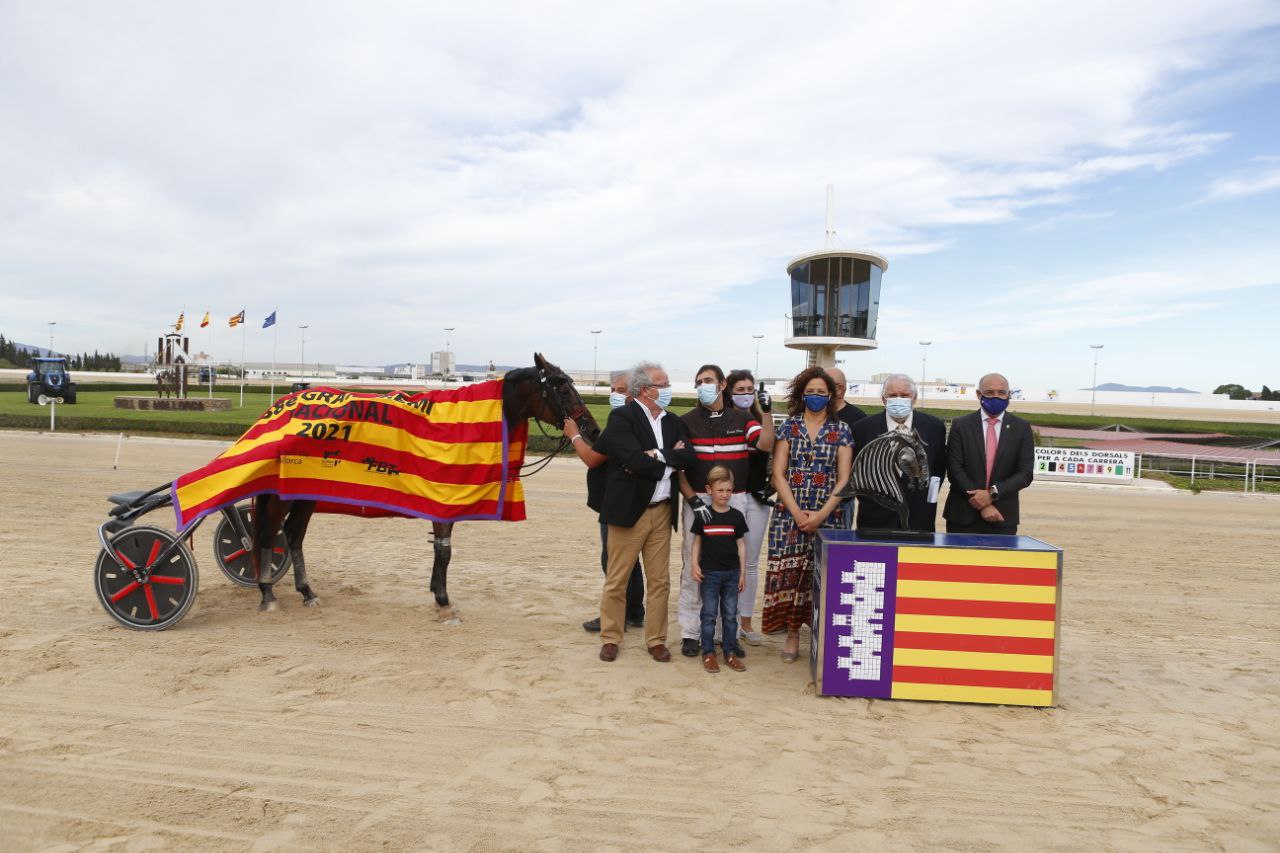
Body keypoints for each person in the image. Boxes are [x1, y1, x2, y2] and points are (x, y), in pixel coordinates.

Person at [597, 361, 697, 663]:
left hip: (662, 512)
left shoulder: (673, 421)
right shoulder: (621, 417)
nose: (667, 389)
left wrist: (657, 456)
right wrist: (668, 462)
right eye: (662, 384)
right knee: (618, 580)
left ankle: (656, 640)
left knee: (660, 582)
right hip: (629, 511)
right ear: (644, 389)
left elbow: (687, 457)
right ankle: (611, 637)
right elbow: (632, 460)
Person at [764, 366, 852, 662]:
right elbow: (778, 473)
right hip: (790, 513)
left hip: (830, 512)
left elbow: (843, 479)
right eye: (811, 391)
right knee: (792, 577)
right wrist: (798, 514)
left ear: (831, 395)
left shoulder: (841, 430)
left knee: (826, 576)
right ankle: (791, 635)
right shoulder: (789, 426)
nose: (816, 396)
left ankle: (824, 637)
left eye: (822, 392)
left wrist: (820, 515)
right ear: (802, 393)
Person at [676, 364, 764, 657]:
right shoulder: (686, 421)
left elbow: (765, 443)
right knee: (694, 567)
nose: (704, 385)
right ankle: (691, 633)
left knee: (730, 567)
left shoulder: (743, 418)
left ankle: (728, 633)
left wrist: (764, 412)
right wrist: (692, 499)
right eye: (699, 381)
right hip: (698, 500)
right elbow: (678, 468)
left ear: (722, 384)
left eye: (709, 380)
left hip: (734, 499)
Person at [564, 371, 644, 633]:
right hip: (632, 500)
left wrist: (574, 435)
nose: (614, 394)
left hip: (616, 502)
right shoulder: (642, 420)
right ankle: (634, 611)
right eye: (613, 388)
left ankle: (614, 615)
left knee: (612, 560)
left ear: (633, 392)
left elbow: (592, 458)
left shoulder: (621, 422)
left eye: (620, 389)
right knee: (629, 561)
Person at [851, 373, 947, 532]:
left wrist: (925, 499)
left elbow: (938, 469)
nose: (898, 399)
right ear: (883, 399)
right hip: (874, 521)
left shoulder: (934, 427)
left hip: (920, 521)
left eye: (904, 395)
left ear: (914, 398)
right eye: (892, 395)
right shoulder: (863, 428)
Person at [943, 372, 1035, 535]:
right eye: (989, 393)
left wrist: (992, 494)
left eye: (1001, 393)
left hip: (1002, 516)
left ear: (1009, 395)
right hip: (962, 516)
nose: (996, 397)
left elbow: (1025, 473)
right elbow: (954, 469)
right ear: (979, 394)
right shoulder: (961, 425)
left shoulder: (1021, 428)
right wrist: (983, 503)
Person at [723, 368, 774, 646]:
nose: (745, 394)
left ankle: (745, 622)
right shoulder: (725, 420)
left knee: (750, 562)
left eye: (749, 389)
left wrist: (767, 411)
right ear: (729, 391)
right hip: (729, 498)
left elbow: (768, 447)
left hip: (756, 498)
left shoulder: (757, 420)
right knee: (725, 560)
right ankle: (722, 620)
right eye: (739, 389)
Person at [691, 465, 749, 673]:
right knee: (708, 614)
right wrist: (695, 564)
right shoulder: (704, 516)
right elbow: (697, 542)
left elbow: (741, 545)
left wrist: (742, 573)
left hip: (732, 574)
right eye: (720, 490)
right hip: (710, 574)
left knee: (730, 615)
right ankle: (708, 653)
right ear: (709, 490)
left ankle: (730, 652)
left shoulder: (736, 517)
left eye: (728, 490)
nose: (724, 495)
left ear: (732, 489)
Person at [827, 366, 867, 528]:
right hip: (805, 498)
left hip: (842, 503)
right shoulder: (805, 415)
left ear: (840, 388)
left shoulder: (858, 419)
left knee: (836, 550)